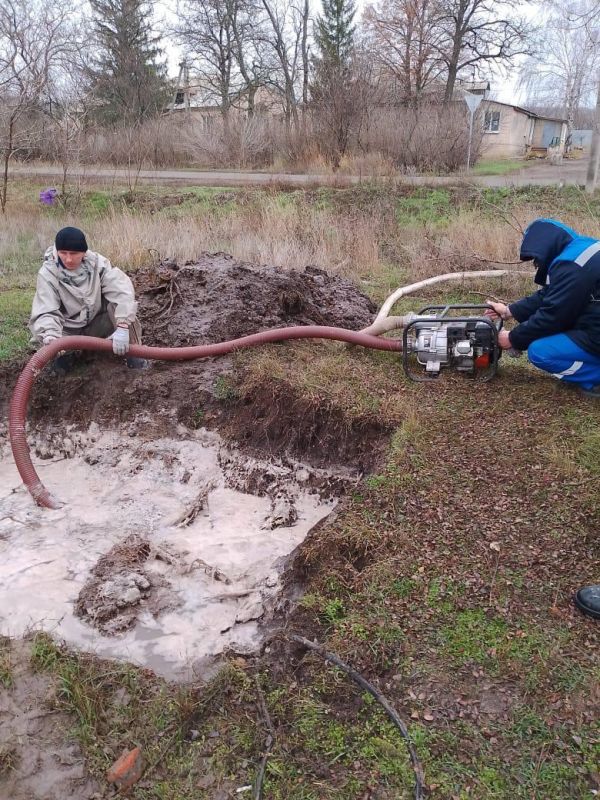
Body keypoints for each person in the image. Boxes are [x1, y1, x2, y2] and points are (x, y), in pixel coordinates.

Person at [486, 218, 600, 398]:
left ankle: (594, 377)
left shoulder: (572, 265)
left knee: (541, 352)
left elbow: (553, 316)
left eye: (536, 260)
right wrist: (510, 311)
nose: (537, 265)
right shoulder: (582, 249)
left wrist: (513, 338)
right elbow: (552, 294)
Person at [29, 226, 147, 372]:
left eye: (74, 253)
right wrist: (51, 337)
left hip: (97, 323)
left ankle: (135, 354)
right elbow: (46, 310)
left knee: (123, 311)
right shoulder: (47, 274)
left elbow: (121, 291)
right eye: (63, 253)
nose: (68, 259)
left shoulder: (98, 264)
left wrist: (122, 327)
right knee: (59, 366)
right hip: (68, 332)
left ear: (84, 253)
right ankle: (65, 356)